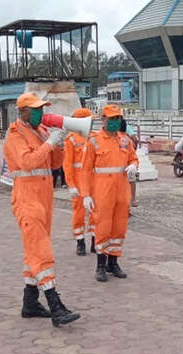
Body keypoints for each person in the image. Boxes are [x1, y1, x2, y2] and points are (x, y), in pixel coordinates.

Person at [3, 92, 79, 327]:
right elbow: (27, 162)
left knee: (33, 251)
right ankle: (55, 305)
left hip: (43, 199)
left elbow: (54, 164)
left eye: (42, 108)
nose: (41, 113)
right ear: (22, 111)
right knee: (41, 250)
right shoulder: (15, 134)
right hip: (26, 198)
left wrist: (59, 144)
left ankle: (30, 303)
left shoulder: (43, 132)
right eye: (35, 109)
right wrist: (49, 143)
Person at [79, 104, 138, 283]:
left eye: (117, 118)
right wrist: (86, 194)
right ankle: (101, 265)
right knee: (103, 227)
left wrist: (134, 165)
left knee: (119, 228)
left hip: (122, 191)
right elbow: (85, 170)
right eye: (111, 119)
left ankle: (114, 262)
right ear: (103, 119)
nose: (114, 122)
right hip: (102, 191)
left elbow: (133, 157)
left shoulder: (125, 140)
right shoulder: (94, 141)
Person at [63, 108, 94, 256]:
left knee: (96, 212)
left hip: (94, 181)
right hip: (78, 183)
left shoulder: (94, 137)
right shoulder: (71, 139)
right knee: (79, 213)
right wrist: (71, 185)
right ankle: (80, 241)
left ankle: (95, 240)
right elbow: (67, 165)